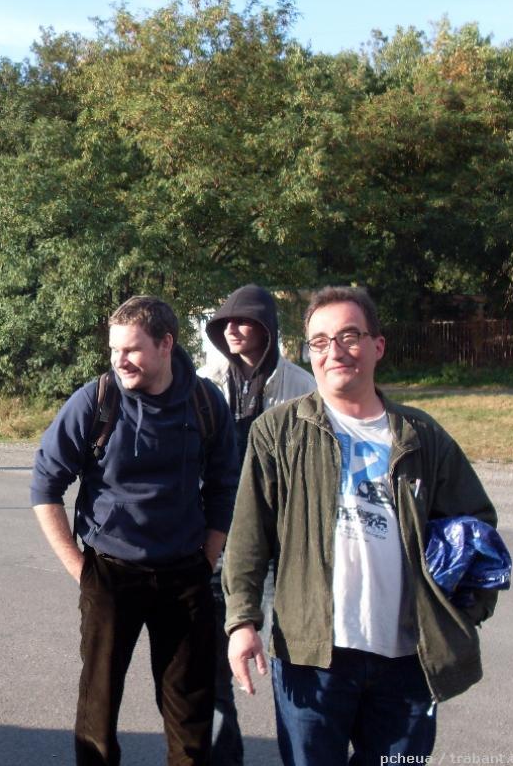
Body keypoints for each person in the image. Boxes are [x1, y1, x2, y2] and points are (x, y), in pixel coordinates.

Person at [223, 287, 500, 765]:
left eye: (349, 336)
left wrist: (465, 612)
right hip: (311, 657)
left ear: (378, 346)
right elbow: (249, 536)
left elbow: (478, 529)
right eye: (320, 341)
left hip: (408, 662)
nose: (335, 351)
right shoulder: (277, 431)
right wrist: (242, 622)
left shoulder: (423, 436)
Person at [31, 295, 240, 766]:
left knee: (190, 716)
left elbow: (225, 486)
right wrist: (80, 569)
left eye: (131, 349)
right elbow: (45, 485)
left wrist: (206, 559)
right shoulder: (96, 400)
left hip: (184, 574)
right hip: (110, 572)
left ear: (166, 344)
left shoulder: (205, 403)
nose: (119, 360)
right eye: (114, 350)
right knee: (99, 710)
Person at [199, 285, 316, 765]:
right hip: (217, 540)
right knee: (209, 666)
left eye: (242, 320)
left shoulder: (303, 387)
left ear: (267, 328)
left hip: (281, 547)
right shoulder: (205, 382)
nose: (231, 329)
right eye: (224, 322)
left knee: (292, 664)